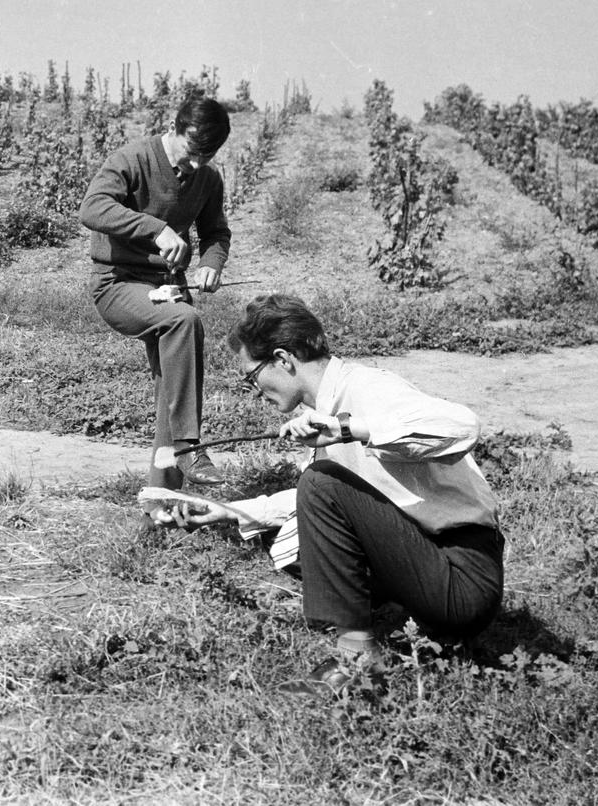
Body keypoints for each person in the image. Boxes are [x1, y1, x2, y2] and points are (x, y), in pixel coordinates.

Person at [166, 294, 504, 694]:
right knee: (296, 537)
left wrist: (350, 429)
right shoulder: (329, 403)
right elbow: (333, 503)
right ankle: (399, 622)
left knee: (320, 484)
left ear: (283, 359)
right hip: (429, 563)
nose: (254, 390)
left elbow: (463, 426)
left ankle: (358, 663)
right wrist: (225, 511)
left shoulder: (366, 389)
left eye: (251, 376)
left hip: (463, 576)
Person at [79, 94, 233, 496]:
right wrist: (156, 229)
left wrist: (212, 264)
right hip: (118, 283)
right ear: (174, 128)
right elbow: (91, 208)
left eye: (209, 155)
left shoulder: (208, 178)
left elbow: (216, 232)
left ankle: (162, 504)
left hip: (170, 288)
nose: (198, 164)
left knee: (174, 387)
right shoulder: (132, 159)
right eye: (192, 151)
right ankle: (188, 447)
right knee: (184, 320)